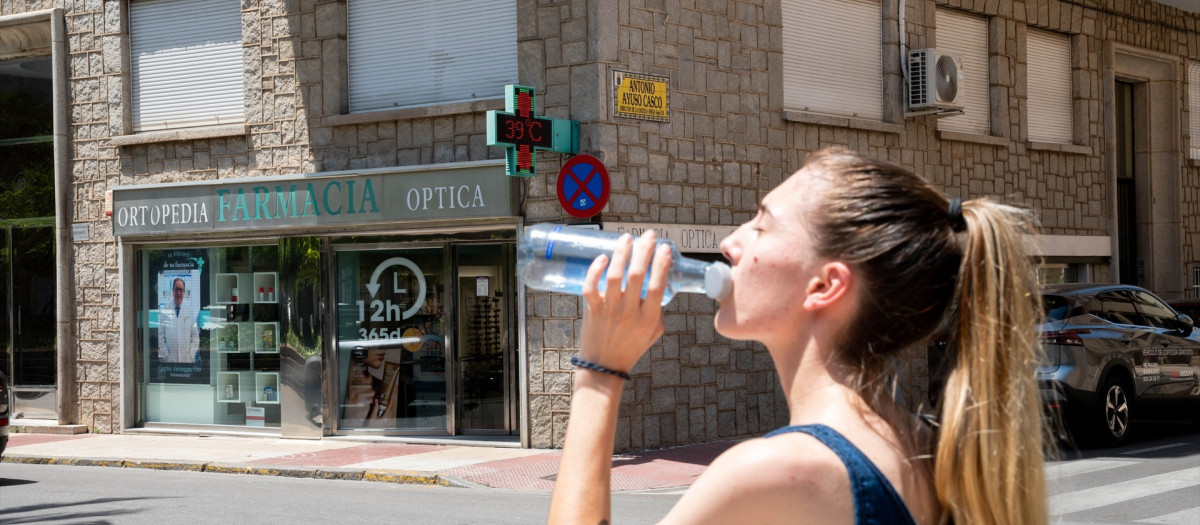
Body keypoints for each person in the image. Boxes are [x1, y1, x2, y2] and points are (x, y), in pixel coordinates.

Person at [547, 148, 1048, 525]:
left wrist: (600, 371)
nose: (730, 242)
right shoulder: (923, 444)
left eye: (761, 226)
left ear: (826, 286)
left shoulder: (777, 471)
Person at [157, 277, 201, 364]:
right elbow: (160, 336)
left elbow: (195, 337)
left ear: (184, 292)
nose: (178, 293)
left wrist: (190, 355)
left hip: (186, 361)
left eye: (181, 290)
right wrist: (166, 355)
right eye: (176, 289)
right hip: (170, 361)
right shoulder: (165, 311)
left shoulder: (190, 311)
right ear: (173, 291)